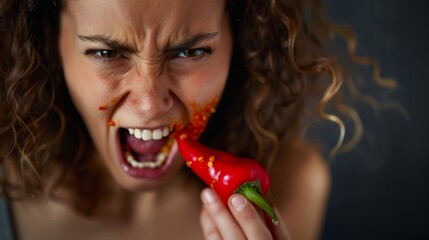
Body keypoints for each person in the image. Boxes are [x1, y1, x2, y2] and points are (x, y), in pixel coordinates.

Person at [0, 0, 345, 239]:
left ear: (238, 40)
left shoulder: (290, 187)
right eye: (106, 53)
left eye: (191, 52)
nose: (151, 105)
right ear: (48, 41)